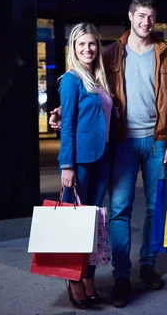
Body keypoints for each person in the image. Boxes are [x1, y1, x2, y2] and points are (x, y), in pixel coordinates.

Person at [49, 0, 167, 308]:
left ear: (155, 18)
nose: (145, 21)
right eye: (140, 15)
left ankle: (147, 265)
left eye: (151, 16)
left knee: (154, 208)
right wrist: (61, 111)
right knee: (119, 209)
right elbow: (81, 85)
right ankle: (121, 276)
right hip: (121, 142)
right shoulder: (110, 54)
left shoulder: (166, 55)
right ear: (130, 15)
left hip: (157, 140)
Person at [57, 23, 114, 309]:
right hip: (79, 161)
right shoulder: (70, 80)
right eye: (81, 45)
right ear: (74, 48)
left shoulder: (99, 79)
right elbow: (67, 124)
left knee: (93, 224)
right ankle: (74, 280)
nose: (87, 49)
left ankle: (90, 278)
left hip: (102, 157)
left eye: (92, 44)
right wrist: (66, 165)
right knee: (75, 225)